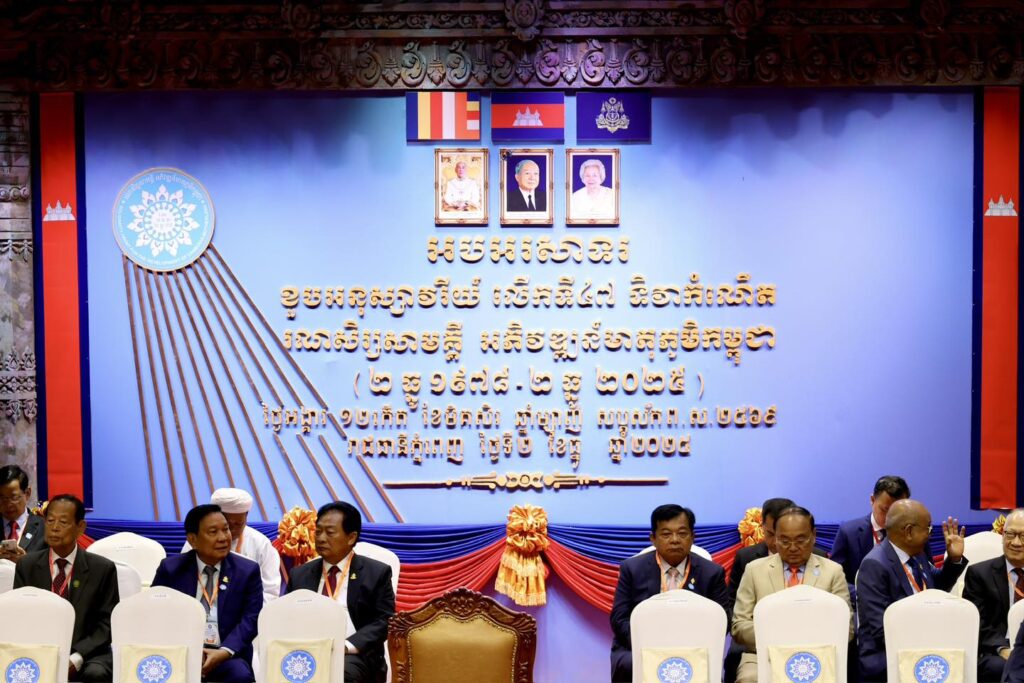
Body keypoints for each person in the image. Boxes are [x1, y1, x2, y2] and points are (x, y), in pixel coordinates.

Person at [610, 504, 731, 683]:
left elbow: (722, 620)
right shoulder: (632, 569)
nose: (675, 540)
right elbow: (619, 618)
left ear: (693, 537)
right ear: (653, 538)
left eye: (682, 533)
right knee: (630, 664)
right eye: (666, 534)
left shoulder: (711, 573)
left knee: (702, 664)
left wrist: (687, 644)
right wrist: (648, 643)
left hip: (694, 646)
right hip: (641, 645)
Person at [731, 507, 852, 683]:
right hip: (763, 655)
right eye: (785, 541)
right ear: (774, 538)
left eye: (801, 540)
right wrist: (779, 637)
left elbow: (846, 628)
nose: (793, 548)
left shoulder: (833, 572)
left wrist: (803, 638)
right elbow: (739, 625)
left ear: (814, 535)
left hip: (818, 654)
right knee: (750, 678)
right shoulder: (754, 570)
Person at [855, 499, 966, 681]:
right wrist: (930, 638)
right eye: (928, 528)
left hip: (920, 645)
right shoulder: (875, 565)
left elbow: (937, 588)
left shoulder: (917, 554)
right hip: (887, 657)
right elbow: (882, 629)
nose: (930, 534)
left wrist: (953, 560)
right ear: (908, 531)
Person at [13, 494, 119, 682]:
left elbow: (106, 625)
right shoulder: (27, 565)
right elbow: (19, 616)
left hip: (87, 653)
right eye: (50, 521)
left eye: (63, 522)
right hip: (38, 648)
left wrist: (76, 658)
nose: (54, 528)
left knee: (96, 672)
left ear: (80, 527)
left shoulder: (102, 569)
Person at [152, 504, 262, 683]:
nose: (223, 538)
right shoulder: (171, 569)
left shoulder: (247, 571)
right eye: (213, 532)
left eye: (225, 529)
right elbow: (155, 613)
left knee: (240, 676)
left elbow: (252, 618)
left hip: (227, 655)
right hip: (180, 652)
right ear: (193, 540)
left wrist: (225, 651)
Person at [287, 501, 395, 683]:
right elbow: (286, 616)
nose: (321, 538)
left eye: (329, 533)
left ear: (351, 537)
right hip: (306, 651)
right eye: (318, 532)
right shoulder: (300, 574)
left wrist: (345, 646)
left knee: (339, 673)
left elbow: (385, 621)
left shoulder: (376, 573)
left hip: (354, 654)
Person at [182, 488, 281, 604]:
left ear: (246, 518)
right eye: (227, 525)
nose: (231, 530)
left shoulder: (261, 544)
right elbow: (181, 582)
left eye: (238, 524)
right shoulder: (198, 541)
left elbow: (269, 593)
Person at [962, 508, 1024, 682]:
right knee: (1000, 667)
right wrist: (1003, 649)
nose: (1016, 542)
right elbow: (977, 622)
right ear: (1002, 536)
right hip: (997, 650)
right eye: (1010, 534)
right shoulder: (979, 574)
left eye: (1023, 536)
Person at [831, 475, 911, 586]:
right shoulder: (848, 533)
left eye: (898, 512)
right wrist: (861, 593)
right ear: (872, 500)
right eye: (885, 510)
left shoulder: (912, 534)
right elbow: (835, 579)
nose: (891, 517)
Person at [0, 464, 47, 561]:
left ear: (27, 493)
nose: (8, 504)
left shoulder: (45, 528)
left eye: (14, 497)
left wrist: (26, 563)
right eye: (2, 498)